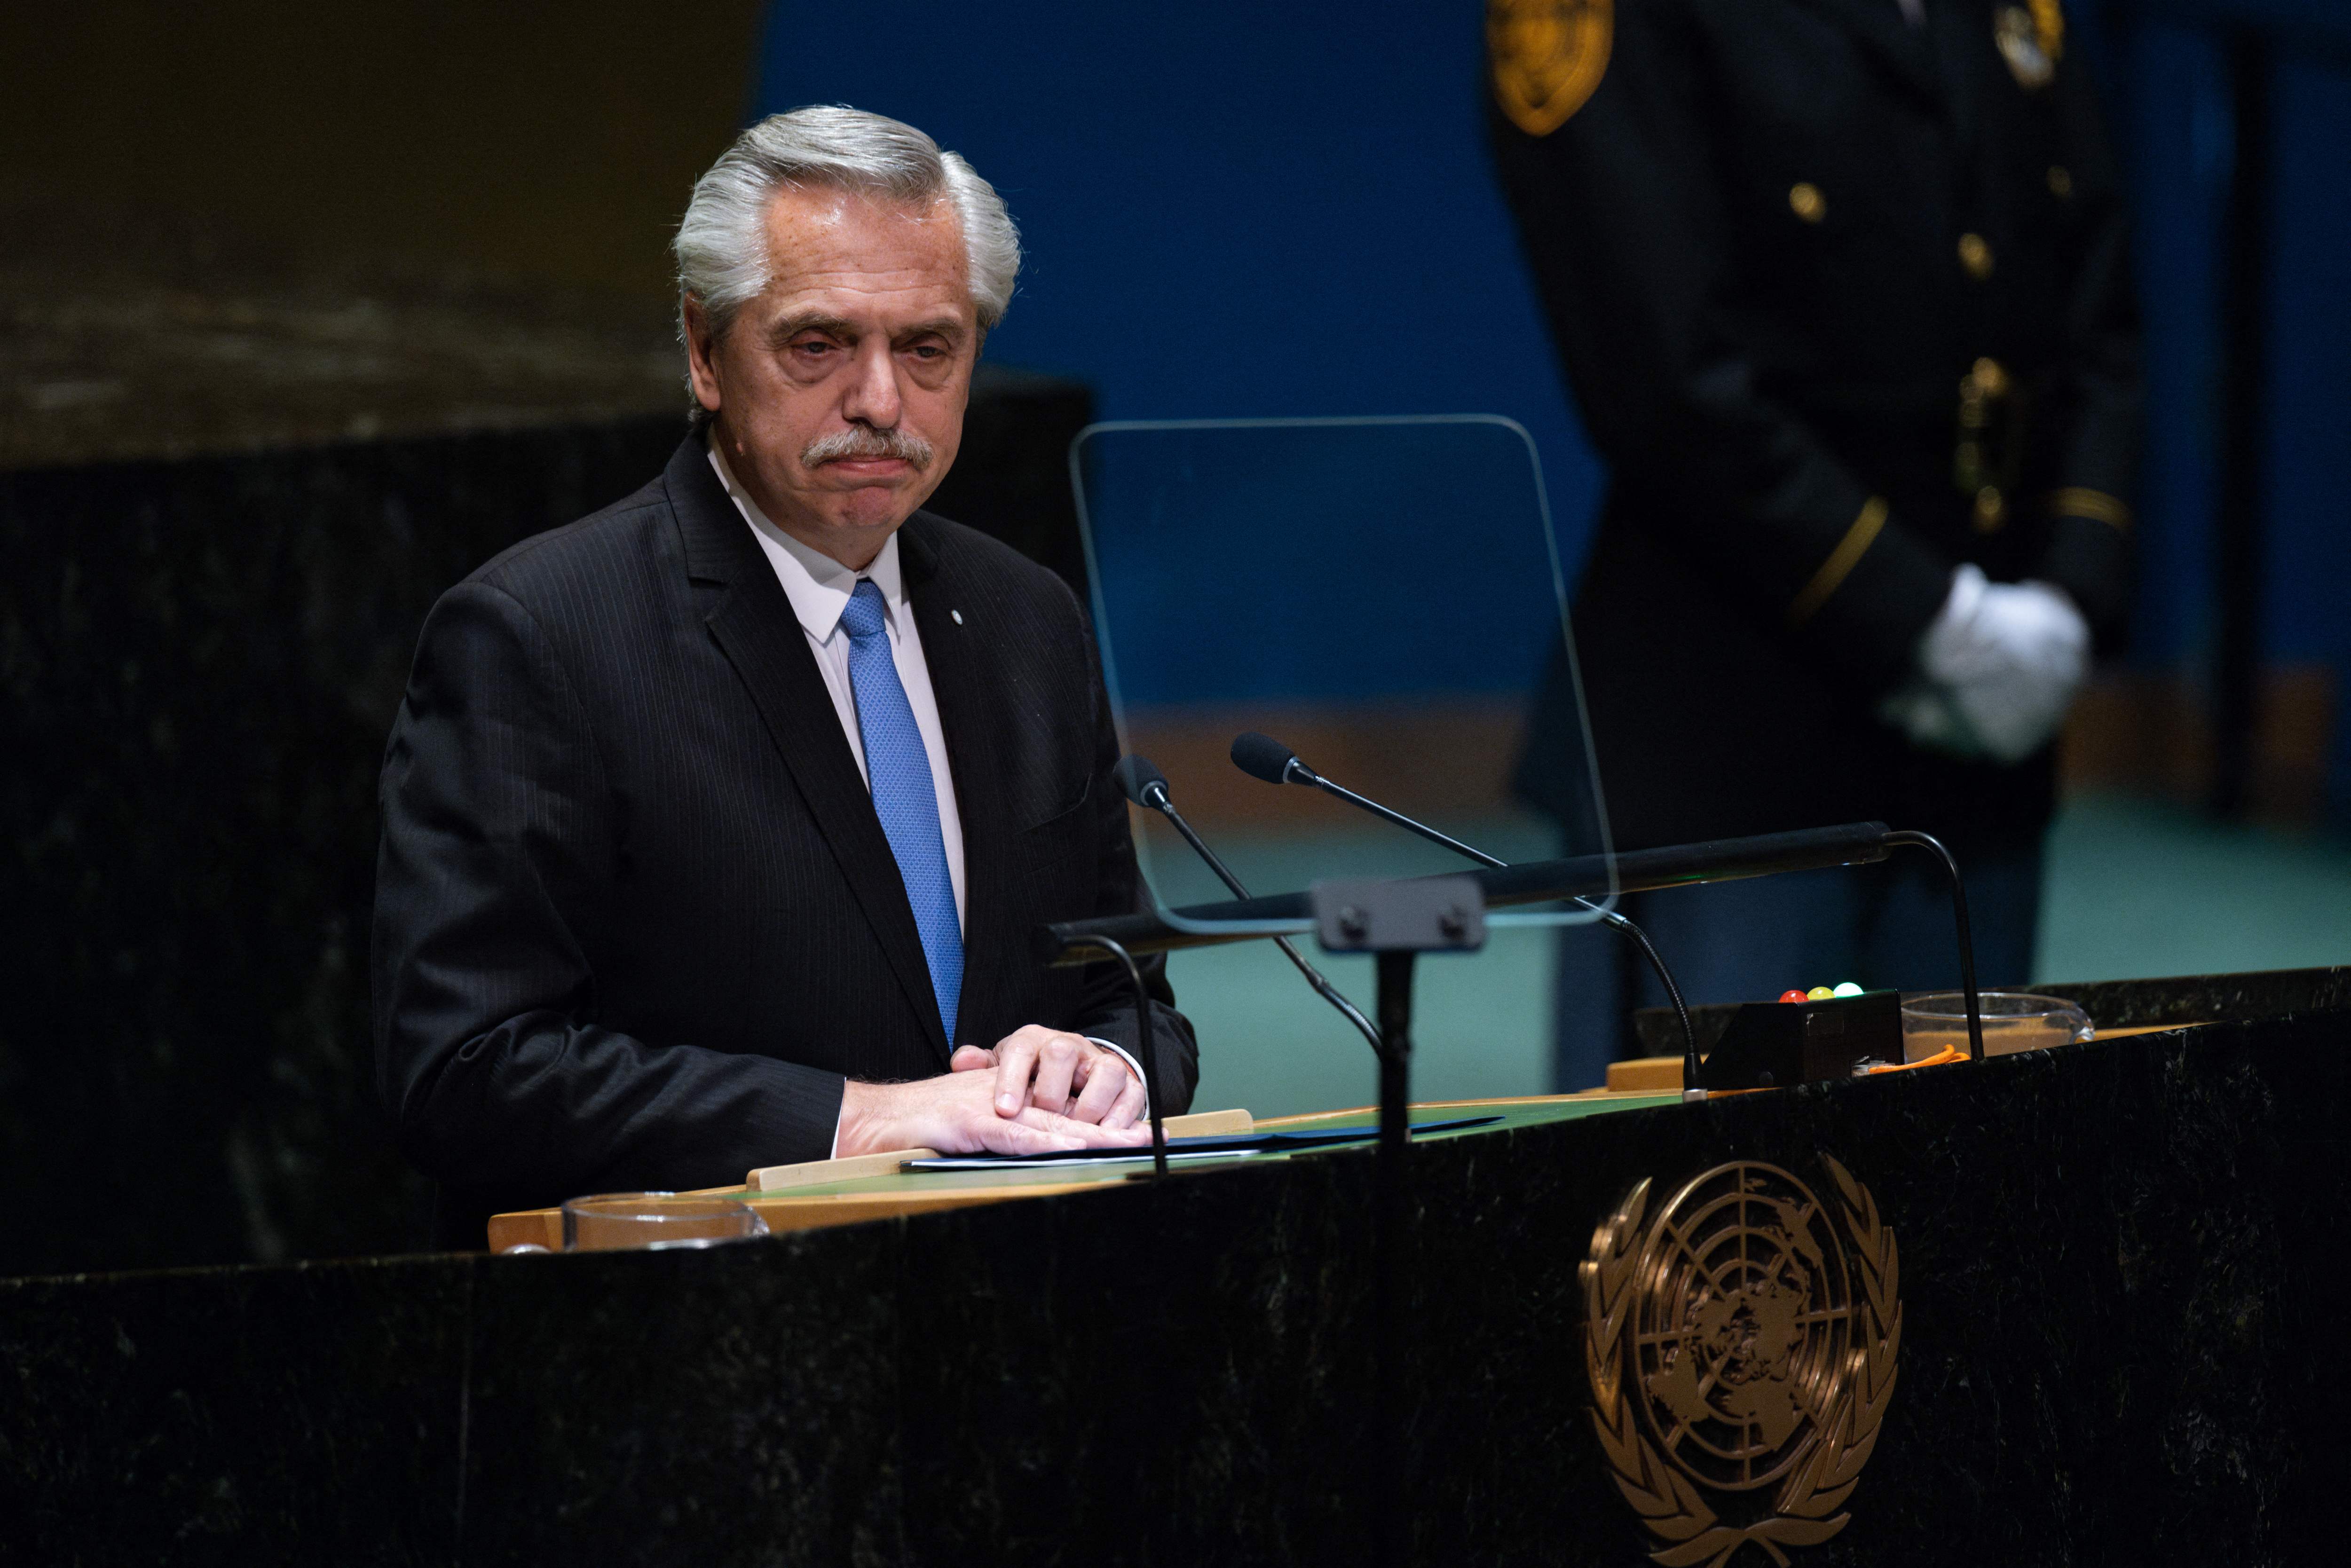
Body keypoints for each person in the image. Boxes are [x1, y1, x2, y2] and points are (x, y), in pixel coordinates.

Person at [373, 108, 1194, 1244]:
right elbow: (469, 1071)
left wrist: (1104, 1066)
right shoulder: (540, 635)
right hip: (701, 1350)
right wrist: (858, 1120)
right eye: (818, 345)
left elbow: (1129, 990)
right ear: (705, 353)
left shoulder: (1026, 619)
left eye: (927, 348)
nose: (879, 403)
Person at [1486, 0, 2139, 1084]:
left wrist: (2069, 594)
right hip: (1735, 736)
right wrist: (1926, 622)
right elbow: (1662, 374)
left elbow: (2100, 312)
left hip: (1988, 736)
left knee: (1972, 1195)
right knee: (1718, 1210)